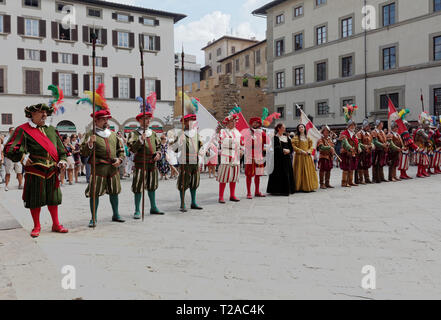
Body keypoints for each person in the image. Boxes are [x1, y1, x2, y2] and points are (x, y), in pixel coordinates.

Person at [4, 103, 68, 237]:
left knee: (53, 198)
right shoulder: (22, 129)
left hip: (52, 169)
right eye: (41, 112)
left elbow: (61, 150)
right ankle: (37, 226)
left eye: (46, 112)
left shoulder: (52, 130)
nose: (45, 114)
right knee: (35, 198)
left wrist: (62, 160)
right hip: (35, 170)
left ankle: (56, 224)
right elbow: (9, 148)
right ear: (32, 114)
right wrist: (22, 157)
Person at [81, 109, 125, 227]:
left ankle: (116, 214)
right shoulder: (90, 134)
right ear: (96, 121)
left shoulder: (113, 134)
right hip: (98, 168)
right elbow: (83, 152)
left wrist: (120, 160)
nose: (106, 121)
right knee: (94, 193)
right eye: (103, 119)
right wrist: (90, 144)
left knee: (114, 191)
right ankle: (93, 218)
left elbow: (121, 150)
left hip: (112, 167)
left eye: (107, 119)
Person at [127, 112, 164, 219]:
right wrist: (140, 140)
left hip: (152, 164)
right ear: (139, 120)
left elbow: (158, 147)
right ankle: (137, 210)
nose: (148, 121)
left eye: (149, 119)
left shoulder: (153, 133)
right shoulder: (134, 134)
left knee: (152, 186)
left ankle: (153, 207)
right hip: (140, 163)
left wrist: (158, 154)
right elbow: (131, 149)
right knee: (138, 187)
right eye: (145, 119)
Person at [173, 114, 203, 211]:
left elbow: (200, 147)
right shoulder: (180, 134)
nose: (191, 123)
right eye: (189, 121)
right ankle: (182, 203)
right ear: (184, 122)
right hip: (185, 162)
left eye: (192, 121)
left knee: (194, 182)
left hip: (195, 161)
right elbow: (175, 149)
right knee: (183, 182)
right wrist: (179, 142)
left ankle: (193, 202)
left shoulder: (197, 134)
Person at [217, 114, 243, 202]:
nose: (234, 123)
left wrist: (241, 150)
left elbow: (240, 143)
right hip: (226, 155)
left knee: (234, 176)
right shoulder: (223, 131)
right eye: (232, 121)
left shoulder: (237, 132)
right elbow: (221, 142)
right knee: (224, 176)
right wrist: (231, 140)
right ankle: (221, 196)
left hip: (235, 156)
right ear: (227, 122)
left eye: (235, 121)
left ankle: (232, 195)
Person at [243, 117, 268, 199]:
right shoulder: (247, 132)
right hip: (250, 156)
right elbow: (243, 142)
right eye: (254, 122)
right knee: (249, 175)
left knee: (258, 175)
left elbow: (266, 142)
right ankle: (249, 192)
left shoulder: (262, 132)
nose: (255, 124)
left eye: (257, 123)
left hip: (259, 156)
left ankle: (257, 191)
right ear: (251, 123)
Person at [266, 123, 295, 196]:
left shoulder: (287, 138)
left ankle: (288, 189)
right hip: (278, 159)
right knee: (279, 173)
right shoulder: (275, 138)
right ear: (279, 128)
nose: (284, 129)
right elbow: (276, 148)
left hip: (287, 158)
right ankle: (277, 190)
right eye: (283, 127)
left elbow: (291, 148)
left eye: (284, 127)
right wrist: (283, 151)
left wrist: (289, 151)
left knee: (287, 173)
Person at [291, 124, 318, 192]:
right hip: (299, 157)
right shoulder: (295, 138)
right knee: (299, 171)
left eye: (302, 127)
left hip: (307, 156)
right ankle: (299, 187)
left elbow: (311, 146)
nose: (301, 128)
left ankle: (309, 186)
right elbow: (293, 146)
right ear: (298, 129)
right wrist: (301, 151)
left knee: (308, 171)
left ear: (304, 128)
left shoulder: (308, 138)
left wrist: (309, 151)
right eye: (299, 127)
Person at [339, 119, 360, 188]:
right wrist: (350, 148)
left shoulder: (354, 134)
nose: (352, 126)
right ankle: (344, 182)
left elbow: (358, 143)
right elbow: (345, 143)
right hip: (346, 152)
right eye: (351, 125)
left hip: (353, 153)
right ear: (348, 126)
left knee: (352, 167)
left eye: (354, 125)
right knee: (346, 168)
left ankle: (350, 181)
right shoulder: (344, 133)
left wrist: (359, 148)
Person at [316, 125, 335, 189]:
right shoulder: (320, 139)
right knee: (322, 170)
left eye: (328, 131)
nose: (327, 133)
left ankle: (327, 183)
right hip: (323, 156)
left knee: (328, 170)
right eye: (325, 131)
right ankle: (322, 184)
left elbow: (332, 146)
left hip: (329, 157)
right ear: (323, 132)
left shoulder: (329, 139)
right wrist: (330, 147)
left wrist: (332, 151)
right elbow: (321, 147)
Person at [356, 119, 373, 184]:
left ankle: (367, 178)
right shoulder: (359, 133)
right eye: (367, 126)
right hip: (362, 152)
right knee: (361, 165)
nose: (368, 127)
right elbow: (358, 143)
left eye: (368, 126)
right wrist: (365, 146)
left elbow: (371, 141)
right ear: (363, 126)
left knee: (366, 165)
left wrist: (372, 144)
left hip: (368, 152)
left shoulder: (369, 133)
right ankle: (361, 179)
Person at [414, 113, 431, 178]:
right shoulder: (421, 130)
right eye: (426, 125)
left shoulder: (424, 130)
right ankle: (419, 172)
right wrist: (430, 131)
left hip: (423, 146)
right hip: (420, 147)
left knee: (424, 160)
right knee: (420, 161)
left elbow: (426, 140)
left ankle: (423, 171)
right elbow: (427, 137)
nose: (427, 126)